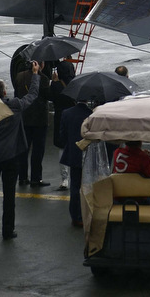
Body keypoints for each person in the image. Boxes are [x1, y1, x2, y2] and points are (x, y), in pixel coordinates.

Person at [0, 71, 41, 239]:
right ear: (4, 92)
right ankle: (8, 229)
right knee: (9, 195)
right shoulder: (14, 105)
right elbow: (33, 94)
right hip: (10, 156)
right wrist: (35, 74)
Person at [13, 59, 51, 187]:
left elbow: (17, 94)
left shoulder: (20, 76)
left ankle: (22, 177)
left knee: (24, 149)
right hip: (40, 119)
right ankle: (36, 178)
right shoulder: (44, 78)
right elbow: (47, 96)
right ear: (42, 64)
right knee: (38, 150)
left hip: (24, 117)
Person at [59, 96, 91, 228]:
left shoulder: (67, 113)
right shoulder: (91, 114)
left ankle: (75, 216)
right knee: (88, 186)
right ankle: (87, 214)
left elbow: (62, 135)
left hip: (73, 152)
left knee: (74, 186)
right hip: (88, 154)